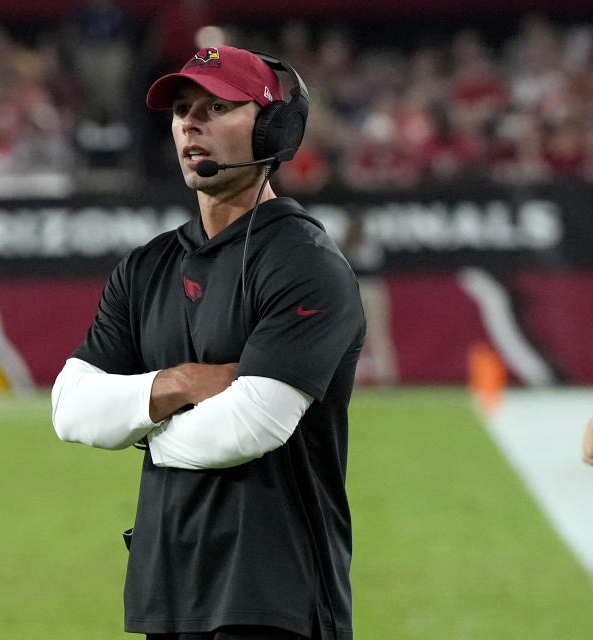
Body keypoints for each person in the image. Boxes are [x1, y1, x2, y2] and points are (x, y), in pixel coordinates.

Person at [52, 45, 365, 640]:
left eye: (217, 107)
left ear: (274, 127)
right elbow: (70, 410)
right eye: (181, 110)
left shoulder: (306, 264)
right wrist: (176, 384)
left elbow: (251, 426)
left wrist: (138, 424)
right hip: (166, 588)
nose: (190, 124)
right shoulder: (146, 267)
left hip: (275, 597)